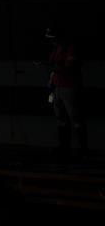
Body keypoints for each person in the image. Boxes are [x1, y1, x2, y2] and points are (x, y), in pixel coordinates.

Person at [41, 27, 87, 159]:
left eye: (53, 39)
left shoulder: (70, 49)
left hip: (69, 87)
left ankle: (82, 148)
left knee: (76, 118)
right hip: (58, 87)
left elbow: (68, 68)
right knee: (61, 118)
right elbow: (53, 66)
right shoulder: (57, 49)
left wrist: (52, 67)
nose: (52, 42)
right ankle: (64, 146)